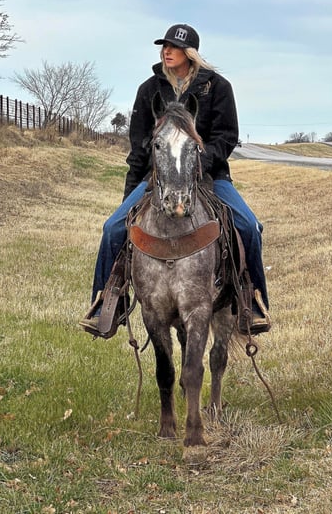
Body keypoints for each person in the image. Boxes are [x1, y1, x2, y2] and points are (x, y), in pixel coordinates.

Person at [81, 23, 270, 336]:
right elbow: (139, 146)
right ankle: (107, 303)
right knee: (113, 227)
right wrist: (129, 195)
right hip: (156, 177)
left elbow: (227, 136)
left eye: (174, 47)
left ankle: (252, 302)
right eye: (164, 46)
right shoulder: (149, 89)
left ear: (190, 53)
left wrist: (199, 163)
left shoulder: (218, 87)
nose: (167, 52)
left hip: (209, 176)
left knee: (249, 227)